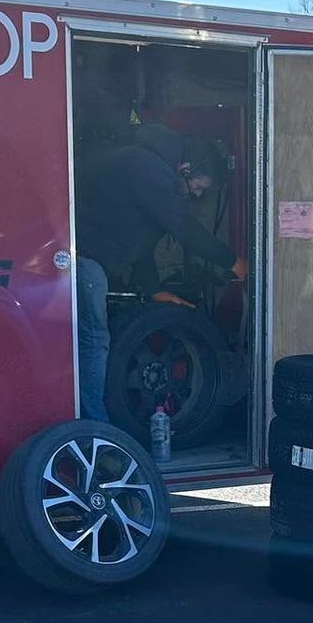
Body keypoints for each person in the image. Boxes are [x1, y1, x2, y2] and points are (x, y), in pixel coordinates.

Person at [73, 124, 246, 422]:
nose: (195, 195)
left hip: (89, 259)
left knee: (92, 338)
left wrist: (154, 289)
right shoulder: (146, 167)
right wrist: (232, 261)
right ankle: (95, 427)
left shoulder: (147, 166)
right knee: (94, 339)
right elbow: (183, 227)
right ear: (186, 168)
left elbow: (141, 241)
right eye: (198, 188)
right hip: (82, 259)